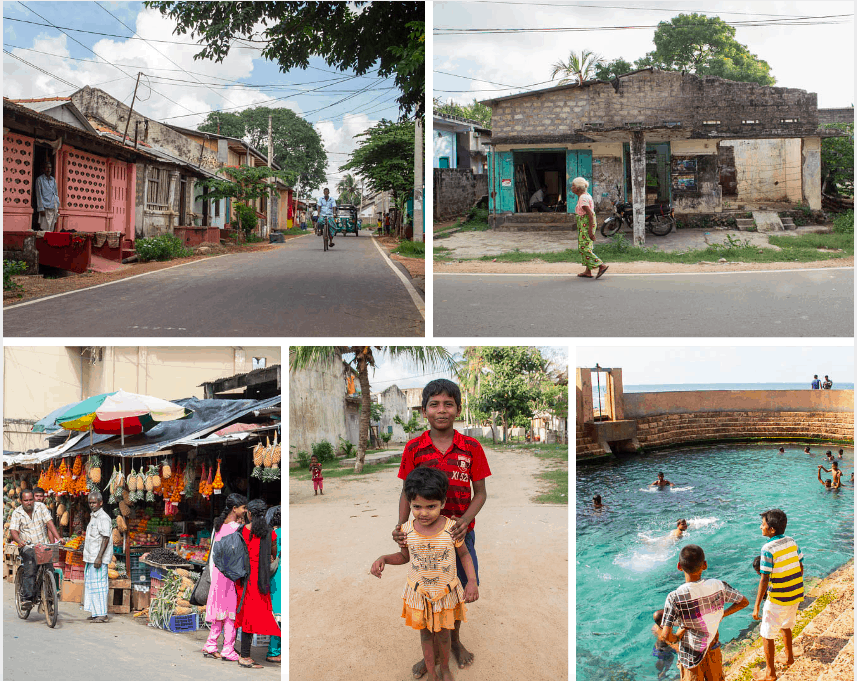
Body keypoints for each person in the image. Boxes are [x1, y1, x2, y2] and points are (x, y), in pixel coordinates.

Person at [394, 378, 491, 678]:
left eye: (448, 404)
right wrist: (400, 526)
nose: (441, 410)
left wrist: (463, 521)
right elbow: (404, 493)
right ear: (424, 411)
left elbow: (481, 493)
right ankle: (431, 656)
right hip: (423, 539)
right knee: (425, 591)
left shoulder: (472, 448)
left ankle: (455, 641)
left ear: (458, 409)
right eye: (434, 404)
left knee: (456, 590)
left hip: (460, 536)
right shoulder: (414, 448)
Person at [372, 467, 478, 681]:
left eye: (431, 506)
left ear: (443, 503)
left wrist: (472, 582)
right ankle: (432, 673)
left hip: (445, 593)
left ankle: (445, 669)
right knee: (425, 635)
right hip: (420, 594)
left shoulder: (452, 528)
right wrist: (383, 558)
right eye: (417, 506)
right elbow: (404, 557)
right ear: (409, 504)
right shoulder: (406, 530)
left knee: (445, 633)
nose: (424, 512)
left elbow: (465, 555)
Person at [657, 545, 749, 681]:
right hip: (713, 647)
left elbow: (665, 635)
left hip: (690, 655)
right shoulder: (718, 585)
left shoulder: (675, 597)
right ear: (704, 565)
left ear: (679, 566)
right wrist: (721, 614)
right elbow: (743, 602)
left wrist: (677, 636)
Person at [753, 510, 804, 681]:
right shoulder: (791, 541)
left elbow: (764, 578)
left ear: (772, 529)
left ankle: (770, 673)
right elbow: (800, 565)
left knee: (767, 634)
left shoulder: (767, 548)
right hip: (795, 593)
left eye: (763, 524)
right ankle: (789, 657)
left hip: (778, 598)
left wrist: (757, 605)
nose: (761, 526)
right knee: (786, 625)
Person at [234, 499, 280, 669]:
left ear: (250, 514)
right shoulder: (269, 532)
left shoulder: (243, 531)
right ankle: (245, 656)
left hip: (244, 580)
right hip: (261, 579)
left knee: (246, 615)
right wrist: (271, 556)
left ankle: (243, 653)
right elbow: (273, 551)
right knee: (259, 614)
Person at [203, 493, 248, 661]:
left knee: (219, 611)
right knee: (230, 612)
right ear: (234, 509)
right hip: (229, 575)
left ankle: (211, 644)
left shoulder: (219, 525)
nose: (245, 510)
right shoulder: (236, 528)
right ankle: (227, 648)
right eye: (243, 508)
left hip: (218, 572)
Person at [9, 488, 61, 606]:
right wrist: (19, 541)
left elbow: (49, 523)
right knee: (31, 568)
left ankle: (48, 595)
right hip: (27, 546)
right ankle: (26, 597)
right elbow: (13, 530)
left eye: (31, 500)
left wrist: (59, 538)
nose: (29, 502)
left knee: (50, 568)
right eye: (26, 500)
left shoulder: (41, 507)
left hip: (42, 545)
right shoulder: (17, 513)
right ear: (21, 501)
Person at [83, 491, 113, 623]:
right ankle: (96, 612)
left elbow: (105, 538)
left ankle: (102, 614)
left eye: (94, 502)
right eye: (90, 502)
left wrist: (99, 557)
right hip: (91, 557)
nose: (92, 505)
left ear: (100, 503)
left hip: (97, 558)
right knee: (91, 586)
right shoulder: (93, 516)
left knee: (100, 586)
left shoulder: (103, 518)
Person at [572, 176, 608, 279]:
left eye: (573, 186)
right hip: (585, 225)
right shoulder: (585, 196)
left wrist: (590, 231)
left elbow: (590, 215)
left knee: (583, 248)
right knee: (587, 247)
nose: (572, 188)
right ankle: (588, 271)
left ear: (578, 188)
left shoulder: (583, 198)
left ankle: (601, 265)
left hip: (586, 225)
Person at [266, 506, 281, 664]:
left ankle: (274, 650)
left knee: (277, 615)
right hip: (279, 575)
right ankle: (274, 652)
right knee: (280, 616)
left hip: (274, 576)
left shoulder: (273, 533)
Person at [651, 609, 679, 680]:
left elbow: (654, 631)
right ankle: (663, 673)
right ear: (663, 622)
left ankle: (659, 672)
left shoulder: (656, 627)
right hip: (664, 650)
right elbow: (675, 646)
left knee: (662, 661)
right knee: (670, 659)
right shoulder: (665, 634)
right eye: (668, 617)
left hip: (657, 648)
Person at [35, 160, 60, 232]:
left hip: (53, 207)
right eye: (47, 167)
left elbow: (56, 193)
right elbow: (38, 194)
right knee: (45, 229)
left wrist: (57, 205)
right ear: (43, 169)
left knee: (52, 228)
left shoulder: (53, 180)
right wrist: (40, 208)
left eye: (50, 168)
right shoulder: (40, 180)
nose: (48, 169)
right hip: (45, 208)